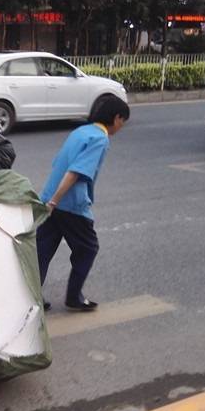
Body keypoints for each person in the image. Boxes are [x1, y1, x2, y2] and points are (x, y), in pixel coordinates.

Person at [37, 95, 130, 312]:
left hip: (51, 197)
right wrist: (55, 201)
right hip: (69, 203)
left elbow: (59, 162)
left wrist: (50, 201)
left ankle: (30, 298)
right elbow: (75, 172)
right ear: (116, 118)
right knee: (88, 248)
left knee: (43, 250)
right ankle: (74, 297)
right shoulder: (100, 138)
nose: (121, 126)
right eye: (122, 121)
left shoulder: (80, 131)